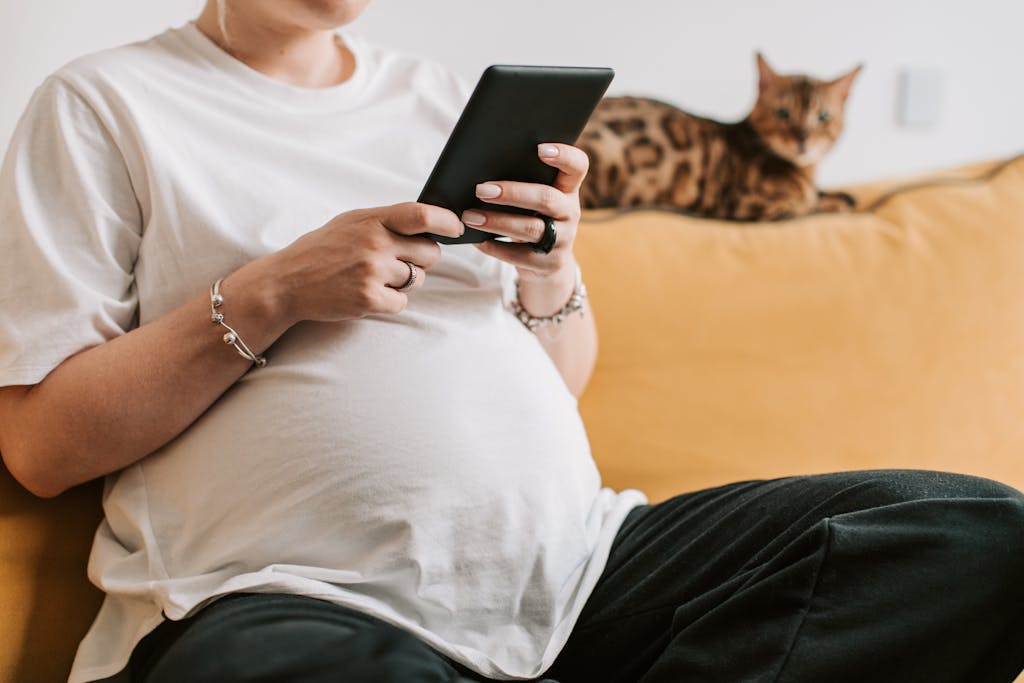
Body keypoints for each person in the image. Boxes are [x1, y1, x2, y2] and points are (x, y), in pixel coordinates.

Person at [0, 1, 1021, 681]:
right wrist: (273, 290)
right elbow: (43, 446)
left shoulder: (438, 97)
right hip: (294, 593)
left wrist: (549, 270)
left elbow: (556, 376)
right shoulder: (102, 106)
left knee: (974, 535)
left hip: (585, 568)